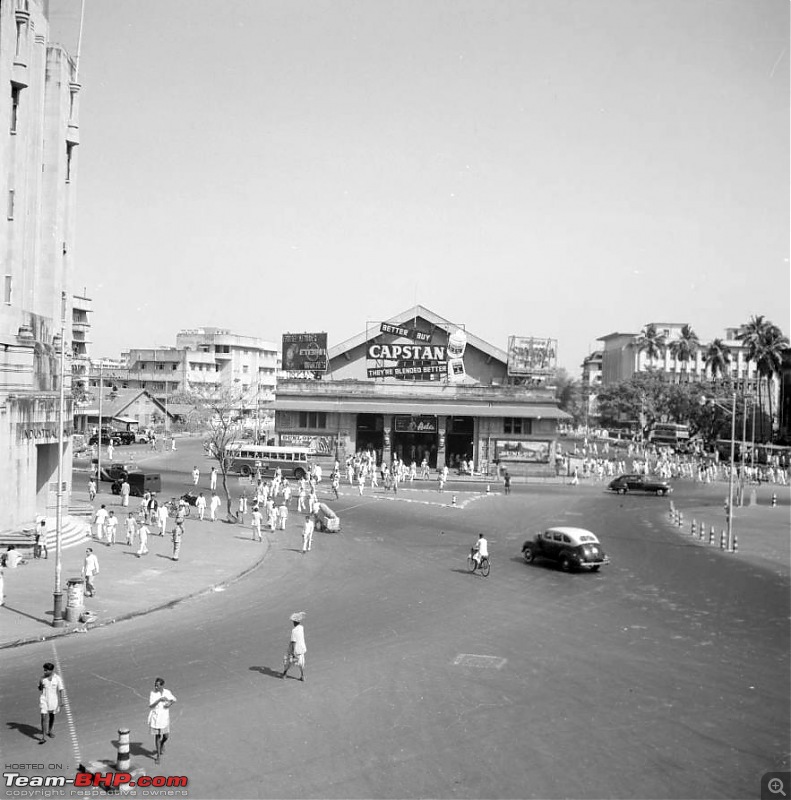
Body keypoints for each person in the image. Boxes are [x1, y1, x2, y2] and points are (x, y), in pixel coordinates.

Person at [147, 677, 177, 765]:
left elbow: (174, 699)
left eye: (157, 686)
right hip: (156, 718)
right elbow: (151, 706)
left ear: (162, 686)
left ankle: (162, 743)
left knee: (166, 736)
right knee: (157, 736)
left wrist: (169, 704)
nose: (155, 687)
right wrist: (159, 700)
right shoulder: (153, 693)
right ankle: (158, 756)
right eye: (155, 685)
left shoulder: (167, 692)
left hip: (164, 718)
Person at [38, 662, 65, 745]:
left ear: (51, 670)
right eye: (44, 670)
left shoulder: (57, 678)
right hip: (44, 699)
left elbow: (61, 689)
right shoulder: (42, 678)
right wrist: (41, 686)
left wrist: (62, 700)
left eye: (46, 670)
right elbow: (40, 688)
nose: (44, 672)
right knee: (43, 716)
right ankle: (43, 737)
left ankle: (50, 730)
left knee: (52, 715)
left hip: (54, 700)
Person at [281, 612, 307, 681]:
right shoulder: (302, 628)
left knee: (287, 661)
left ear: (294, 622)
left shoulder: (294, 631)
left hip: (296, 649)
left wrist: (292, 652)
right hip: (301, 648)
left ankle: (284, 674)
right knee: (301, 663)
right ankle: (302, 676)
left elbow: (293, 642)